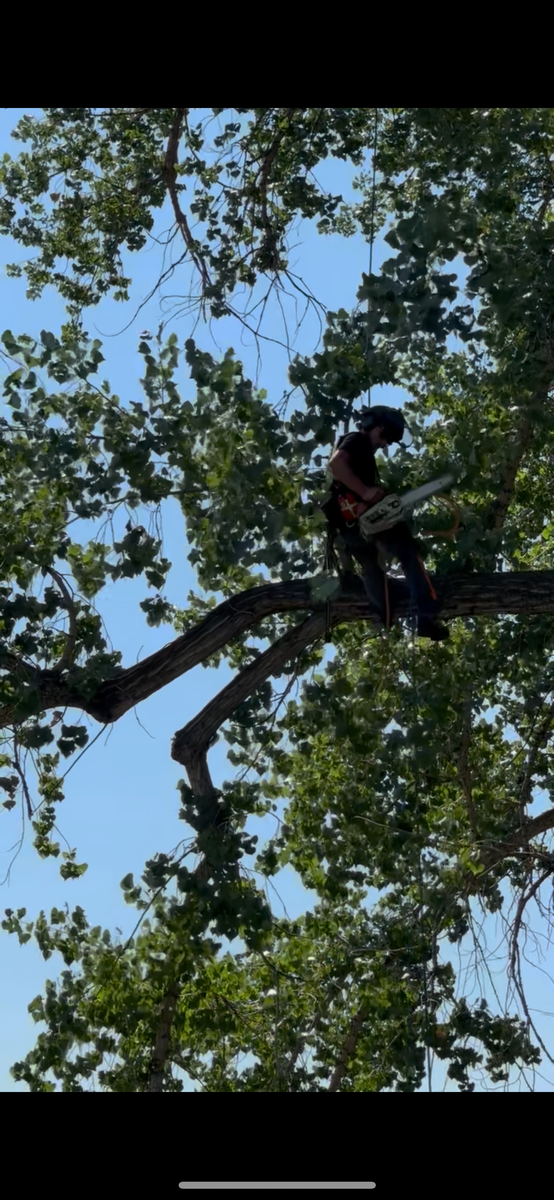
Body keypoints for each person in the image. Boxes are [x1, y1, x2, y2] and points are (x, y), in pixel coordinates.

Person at [323, 405, 449, 641]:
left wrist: (375, 496)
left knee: (372, 568)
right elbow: (336, 465)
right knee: (409, 551)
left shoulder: (364, 458)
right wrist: (365, 491)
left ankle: (384, 615)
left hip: (351, 530)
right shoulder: (357, 440)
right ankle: (425, 613)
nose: (385, 444)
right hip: (357, 525)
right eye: (386, 437)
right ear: (378, 428)